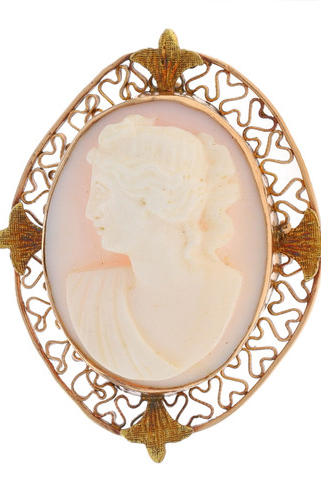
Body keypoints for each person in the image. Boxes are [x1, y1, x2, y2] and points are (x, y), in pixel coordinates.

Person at [66, 115, 242, 381]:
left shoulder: (223, 292)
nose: (90, 212)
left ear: (155, 197)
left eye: (101, 192)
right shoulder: (85, 294)